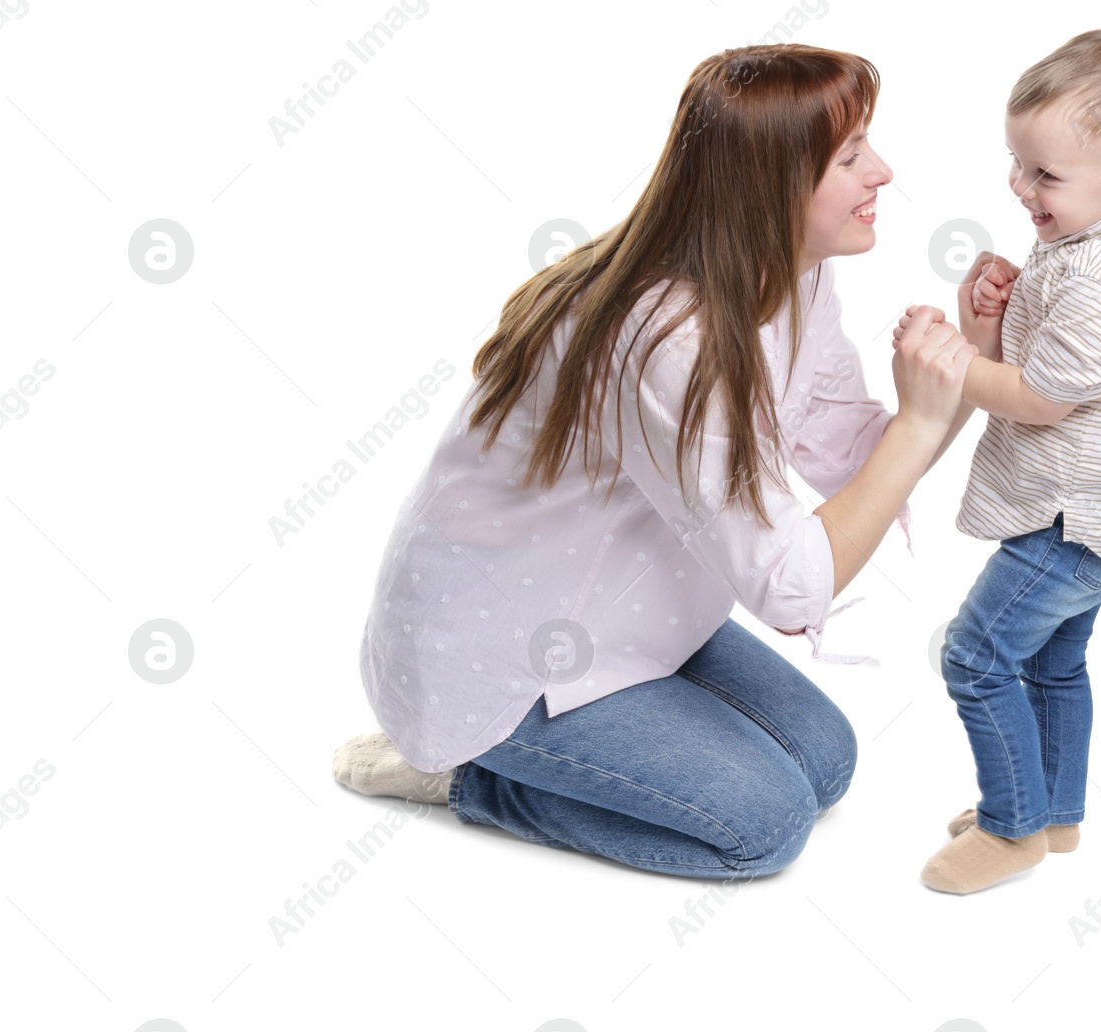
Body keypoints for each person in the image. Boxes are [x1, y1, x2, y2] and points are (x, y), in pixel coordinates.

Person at [331, 43, 999, 881]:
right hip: (508, 657)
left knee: (825, 763)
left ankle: (577, 745)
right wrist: (923, 422)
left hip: (629, 614)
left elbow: (855, 464)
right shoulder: (667, 339)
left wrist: (966, 366)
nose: (884, 171)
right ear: (770, 184)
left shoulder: (791, 277)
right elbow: (793, 590)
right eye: (851, 155)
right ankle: (467, 776)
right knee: (762, 826)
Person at [901, 29, 1101, 893]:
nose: (1021, 188)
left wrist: (957, 358)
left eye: (1045, 176)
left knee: (975, 655)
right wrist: (991, 316)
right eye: (1017, 163)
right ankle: (1054, 809)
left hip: (1080, 512)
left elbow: (1039, 399)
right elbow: (1045, 348)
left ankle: (1011, 831)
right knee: (1053, 660)